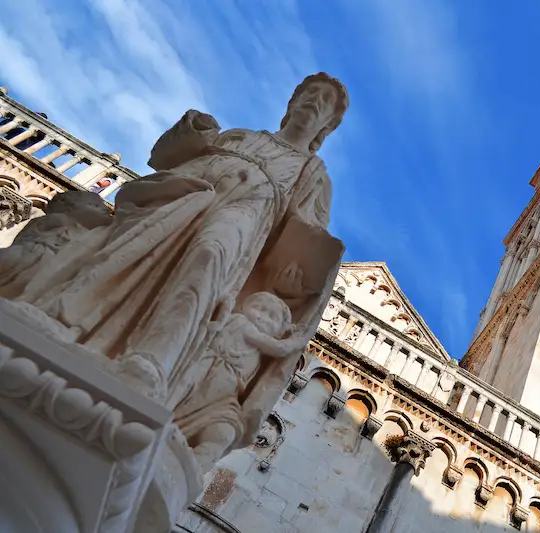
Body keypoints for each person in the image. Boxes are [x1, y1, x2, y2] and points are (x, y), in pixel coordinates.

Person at [14, 73, 348, 404]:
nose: (315, 100)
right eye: (311, 92)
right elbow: (165, 157)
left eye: (325, 102)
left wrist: (288, 279)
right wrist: (192, 131)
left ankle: (153, 360)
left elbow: (306, 239)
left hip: (248, 211)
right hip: (187, 190)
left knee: (210, 257)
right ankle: (62, 315)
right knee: (131, 242)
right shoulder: (241, 136)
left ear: (327, 126)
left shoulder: (314, 177)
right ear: (291, 103)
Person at [173, 291, 306, 472]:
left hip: (226, 393)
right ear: (243, 307)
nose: (262, 317)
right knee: (180, 395)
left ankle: (197, 464)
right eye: (258, 308)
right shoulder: (241, 323)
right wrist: (297, 341)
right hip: (209, 375)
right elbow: (279, 348)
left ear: (278, 331)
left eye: (271, 317)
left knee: (226, 430)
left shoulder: (253, 340)